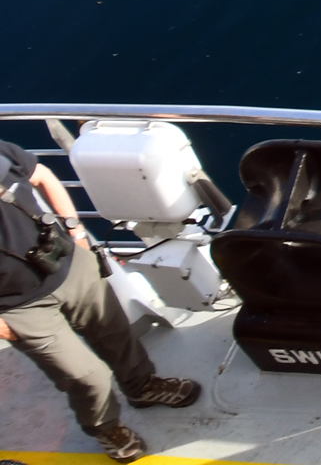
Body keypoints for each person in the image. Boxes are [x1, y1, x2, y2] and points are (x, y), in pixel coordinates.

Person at [0, 140, 199, 461]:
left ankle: (142, 386)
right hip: (18, 306)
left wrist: (76, 231)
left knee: (116, 333)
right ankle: (106, 428)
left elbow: (43, 176)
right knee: (85, 376)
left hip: (67, 260)